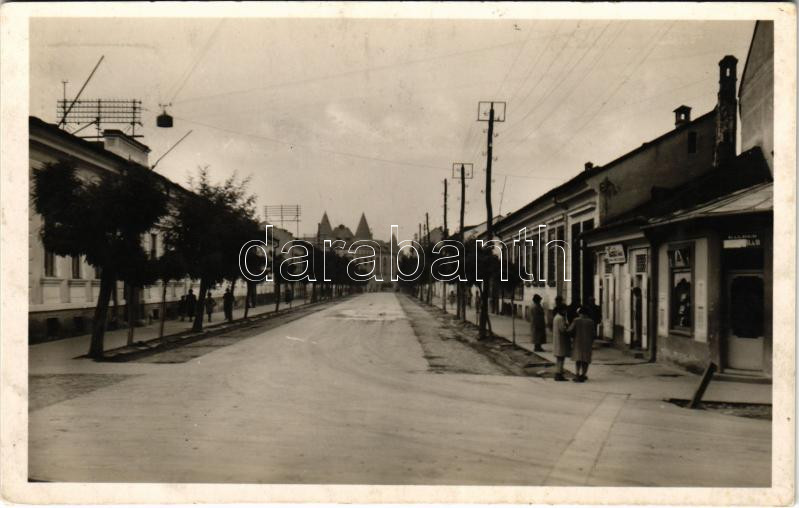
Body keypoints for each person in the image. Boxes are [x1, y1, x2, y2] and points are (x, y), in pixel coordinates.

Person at [568, 307, 597, 382]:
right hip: (587, 343)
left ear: (580, 313)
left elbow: (570, 330)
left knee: (578, 359)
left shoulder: (576, 320)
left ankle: (577, 373)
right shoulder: (590, 321)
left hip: (577, 342)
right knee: (585, 360)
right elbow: (593, 333)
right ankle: (583, 374)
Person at [552, 305, 570, 381]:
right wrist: (567, 327)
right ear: (562, 310)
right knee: (561, 358)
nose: (566, 312)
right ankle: (559, 374)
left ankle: (558, 372)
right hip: (561, 340)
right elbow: (563, 329)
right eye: (565, 310)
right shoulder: (560, 318)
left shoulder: (556, 317)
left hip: (558, 340)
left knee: (559, 358)